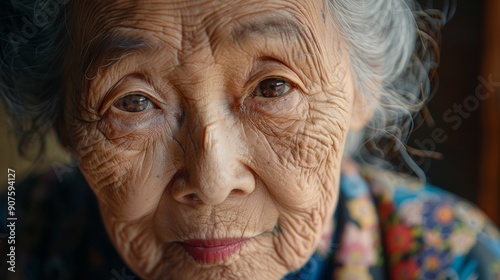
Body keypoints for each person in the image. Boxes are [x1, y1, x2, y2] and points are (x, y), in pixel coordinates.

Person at [0, 0, 499, 279]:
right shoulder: (18, 242)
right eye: (132, 102)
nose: (213, 181)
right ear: (65, 122)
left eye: (273, 87)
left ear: (361, 89)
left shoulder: (458, 263)